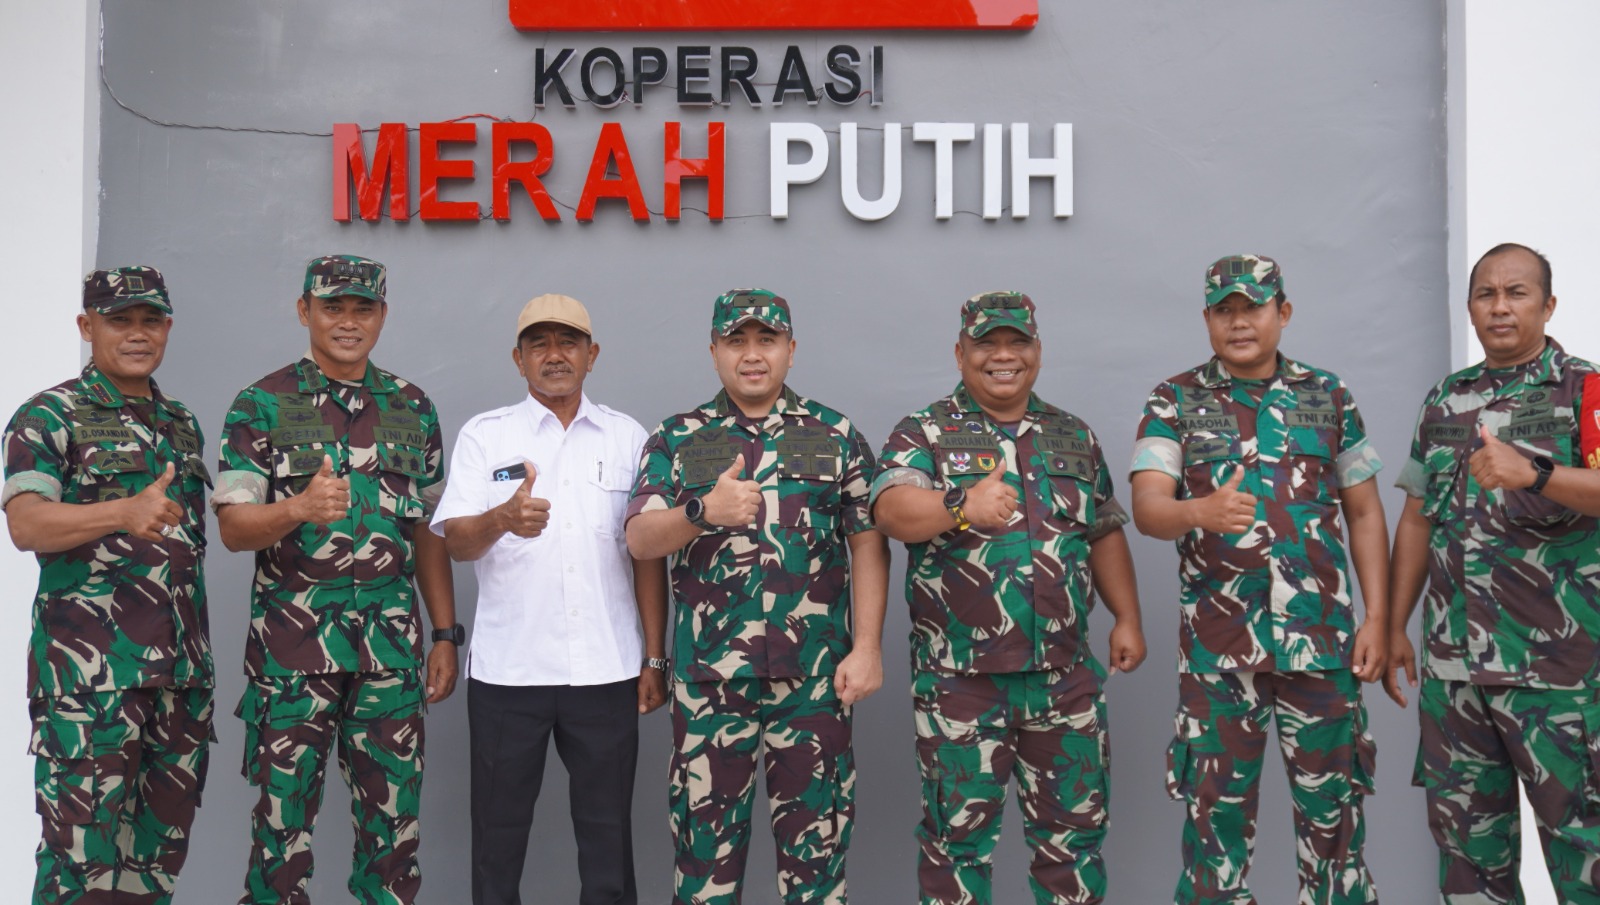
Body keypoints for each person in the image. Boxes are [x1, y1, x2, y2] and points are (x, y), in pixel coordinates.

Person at [1128, 254, 1388, 905]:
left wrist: (1379, 619)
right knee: (1214, 838)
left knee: (1336, 834)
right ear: (1207, 319)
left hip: (1322, 644)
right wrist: (1199, 512)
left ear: (1284, 312)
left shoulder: (1329, 394)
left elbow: (1364, 511)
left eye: (1253, 307)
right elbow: (1148, 507)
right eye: (1225, 310)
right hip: (1219, 651)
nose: (1239, 321)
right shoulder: (1174, 398)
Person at [870, 291, 1145, 905]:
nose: (1002, 355)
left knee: (1074, 846)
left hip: (1065, 679)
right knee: (956, 849)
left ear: (1037, 351)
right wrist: (960, 504)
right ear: (959, 353)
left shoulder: (1072, 433)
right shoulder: (925, 430)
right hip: (961, 683)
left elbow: (1103, 530)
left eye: (1016, 342)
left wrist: (1127, 616)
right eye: (986, 343)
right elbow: (889, 510)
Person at [624, 289, 889, 905]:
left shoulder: (836, 434)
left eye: (766, 340)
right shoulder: (677, 437)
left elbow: (869, 543)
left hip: (816, 684)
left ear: (791, 350)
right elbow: (639, 539)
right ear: (713, 351)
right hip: (708, 687)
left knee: (817, 866)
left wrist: (869, 647)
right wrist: (701, 511)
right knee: (704, 871)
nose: (751, 355)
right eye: (736, 341)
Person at [211, 254, 459, 905]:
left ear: (382, 314)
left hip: (389, 657)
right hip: (293, 658)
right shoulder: (261, 404)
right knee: (280, 841)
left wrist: (444, 634)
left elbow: (429, 531)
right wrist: (296, 508)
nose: (348, 321)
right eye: (333, 307)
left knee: (394, 841)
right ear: (305, 312)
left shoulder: (413, 407)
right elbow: (233, 528)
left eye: (362, 308)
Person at [430, 293, 669, 905]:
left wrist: (654, 655)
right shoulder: (486, 436)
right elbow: (455, 542)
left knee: (609, 844)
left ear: (593, 354)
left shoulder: (628, 436)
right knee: (497, 844)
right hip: (509, 674)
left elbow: (647, 555)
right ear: (518, 358)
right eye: (539, 344)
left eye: (569, 342)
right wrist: (502, 518)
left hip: (607, 670)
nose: (555, 355)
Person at [1388, 242, 1600, 903]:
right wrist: (1392, 625)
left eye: (1516, 292)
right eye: (1486, 294)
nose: (1500, 306)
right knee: (1469, 862)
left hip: (1558, 675)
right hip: (1455, 673)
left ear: (1548, 304)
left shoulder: (1586, 388)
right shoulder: (1446, 399)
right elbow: (1417, 518)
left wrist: (1535, 473)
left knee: (1585, 853)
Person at [3, 267, 213, 905]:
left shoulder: (181, 423)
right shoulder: (49, 414)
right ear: (86, 326)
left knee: (152, 869)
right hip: (91, 681)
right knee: (77, 865)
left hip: (179, 679)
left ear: (168, 328)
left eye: (151, 321)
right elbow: (26, 524)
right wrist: (122, 511)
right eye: (120, 321)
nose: (137, 334)